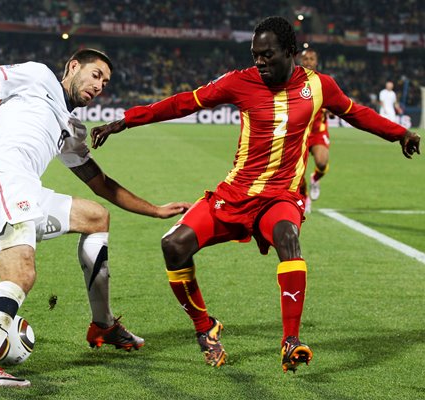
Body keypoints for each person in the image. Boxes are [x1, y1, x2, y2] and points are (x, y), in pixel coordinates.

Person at [91, 16, 420, 373]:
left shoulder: (320, 86)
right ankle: (205, 326)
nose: (259, 62)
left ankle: (290, 340)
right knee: (174, 245)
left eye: (267, 54)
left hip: (280, 198)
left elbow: (356, 113)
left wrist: (399, 133)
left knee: (288, 237)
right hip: (236, 194)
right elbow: (184, 102)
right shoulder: (239, 81)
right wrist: (127, 119)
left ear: (290, 52)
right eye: (255, 55)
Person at [0, 49, 191, 388]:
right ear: (73, 67)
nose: (100, 85)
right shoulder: (37, 76)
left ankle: (103, 324)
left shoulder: (71, 128)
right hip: (1, 177)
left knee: (96, 217)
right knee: (20, 273)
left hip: (26, 189)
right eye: (96, 74)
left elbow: (101, 184)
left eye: (106, 81)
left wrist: (156, 210)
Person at [299, 48, 330, 211]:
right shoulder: (293, 81)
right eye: (305, 59)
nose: (308, 62)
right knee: (297, 170)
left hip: (318, 131)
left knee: (322, 162)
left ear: (316, 62)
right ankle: (304, 197)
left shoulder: (324, 82)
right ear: (299, 61)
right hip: (299, 132)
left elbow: (336, 101)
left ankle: (315, 178)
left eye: (312, 59)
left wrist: (332, 109)